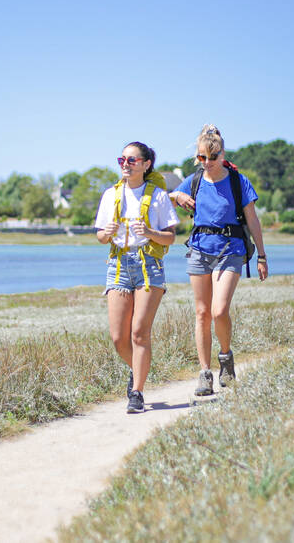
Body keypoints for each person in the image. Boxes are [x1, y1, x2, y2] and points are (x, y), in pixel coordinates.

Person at [169, 125, 268, 397]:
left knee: (219, 310)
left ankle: (226, 359)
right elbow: (166, 198)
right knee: (201, 313)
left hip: (231, 248)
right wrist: (177, 195)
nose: (207, 163)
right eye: (202, 158)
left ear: (223, 154)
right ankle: (204, 374)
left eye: (212, 157)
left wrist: (261, 255)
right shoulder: (194, 180)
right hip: (200, 250)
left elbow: (252, 220)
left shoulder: (238, 182)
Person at [95, 142, 179, 413]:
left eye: (132, 160)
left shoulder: (158, 196)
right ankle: (138, 370)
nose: (125, 164)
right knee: (119, 337)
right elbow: (100, 236)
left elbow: (171, 237)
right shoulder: (111, 195)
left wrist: (151, 232)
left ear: (146, 164)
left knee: (139, 333)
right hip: (118, 264)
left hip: (149, 265)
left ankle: (137, 392)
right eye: (122, 159)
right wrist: (106, 232)